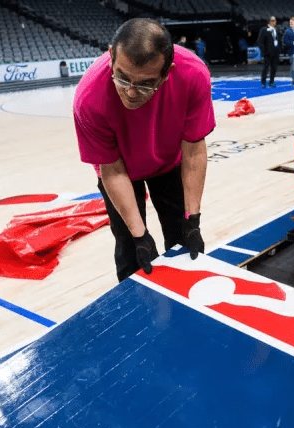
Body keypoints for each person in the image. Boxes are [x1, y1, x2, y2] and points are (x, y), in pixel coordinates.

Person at [73, 19, 216, 282]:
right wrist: (140, 235)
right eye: (122, 77)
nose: (129, 92)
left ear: (167, 72)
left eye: (145, 84)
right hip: (121, 170)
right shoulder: (89, 98)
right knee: (131, 251)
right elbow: (111, 169)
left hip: (169, 161)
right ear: (111, 54)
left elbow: (194, 149)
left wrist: (192, 219)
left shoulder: (193, 74)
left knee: (183, 239)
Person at [257, 16, 280, 88]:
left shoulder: (277, 29)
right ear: (269, 21)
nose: (274, 22)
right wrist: (263, 51)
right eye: (272, 21)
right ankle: (263, 82)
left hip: (275, 52)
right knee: (265, 68)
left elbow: (279, 40)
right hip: (267, 52)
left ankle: (271, 81)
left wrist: (279, 50)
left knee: (274, 68)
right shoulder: (264, 29)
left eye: (275, 21)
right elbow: (260, 42)